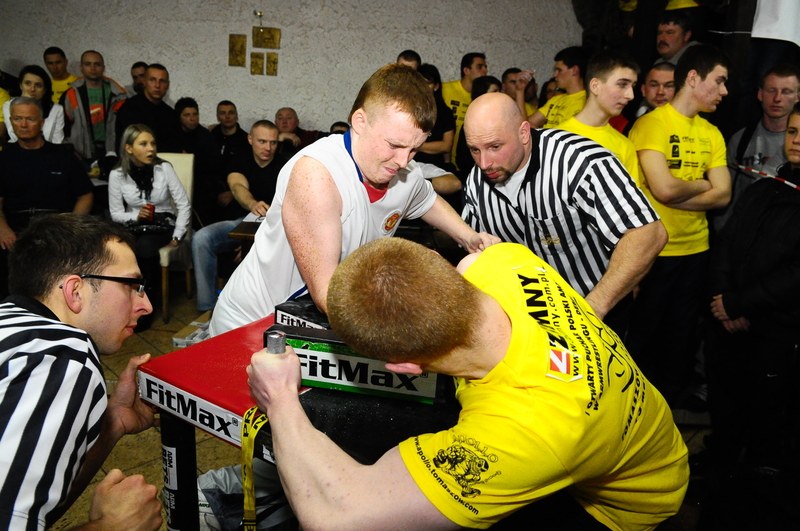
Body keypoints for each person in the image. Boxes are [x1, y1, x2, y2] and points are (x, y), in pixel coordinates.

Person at [246, 237, 689, 530]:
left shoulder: (530, 431)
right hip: (641, 432)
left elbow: (335, 517)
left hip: (628, 504)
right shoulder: (506, 260)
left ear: (405, 367)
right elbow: (475, 261)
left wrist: (280, 398)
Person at [208, 64, 498, 336]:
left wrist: (469, 237)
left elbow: (427, 200)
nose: (403, 160)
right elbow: (327, 295)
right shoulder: (316, 176)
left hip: (308, 323)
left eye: (414, 149)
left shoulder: (403, 171)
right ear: (360, 121)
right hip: (251, 323)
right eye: (394, 145)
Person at [0, 213, 161, 530]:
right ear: (75, 292)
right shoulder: (63, 355)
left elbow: (29, 503)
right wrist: (112, 527)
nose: (146, 306)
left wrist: (114, 420)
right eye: (131, 286)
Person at [462, 92, 665, 326]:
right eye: (474, 150)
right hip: (532, 320)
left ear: (524, 133)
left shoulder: (579, 161)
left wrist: (593, 308)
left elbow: (648, 233)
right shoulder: (476, 182)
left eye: (495, 147)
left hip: (598, 308)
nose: (484, 163)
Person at [701, 103, 800, 530]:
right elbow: (727, 241)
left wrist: (740, 304)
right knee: (727, 410)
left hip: (775, 331)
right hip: (729, 322)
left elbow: (795, 276)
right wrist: (723, 300)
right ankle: (720, 481)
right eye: (793, 131)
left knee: (768, 425)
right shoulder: (764, 187)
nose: (797, 140)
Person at [626, 44, 732, 405]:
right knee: (645, 335)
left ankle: (670, 408)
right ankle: (636, 407)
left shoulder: (712, 133)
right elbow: (664, 189)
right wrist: (702, 184)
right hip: (655, 251)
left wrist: (680, 191)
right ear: (693, 78)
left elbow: (724, 195)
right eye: (719, 81)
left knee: (682, 335)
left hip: (696, 250)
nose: (724, 91)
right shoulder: (652, 124)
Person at [0, 97, 94, 297]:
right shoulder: (3, 158)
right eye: (17, 119)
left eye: (30, 119)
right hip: (15, 228)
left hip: (56, 226)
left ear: (42, 122)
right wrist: (2, 228)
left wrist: (71, 227)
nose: (23, 125)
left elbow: (85, 195)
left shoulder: (63, 155)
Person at [192, 120, 287, 312]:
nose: (268, 148)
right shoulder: (239, 160)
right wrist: (252, 204)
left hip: (275, 228)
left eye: (273, 142)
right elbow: (237, 186)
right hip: (240, 222)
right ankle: (207, 308)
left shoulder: (286, 165)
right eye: (262, 141)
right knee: (201, 238)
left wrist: (251, 244)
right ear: (250, 139)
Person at [108, 124, 191, 314]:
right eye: (143, 144)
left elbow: (184, 204)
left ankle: (145, 307)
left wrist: (178, 235)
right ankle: (121, 304)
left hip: (162, 224)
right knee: (116, 247)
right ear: (129, 148)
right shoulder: (117, 174)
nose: (151, 149)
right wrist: (136, 215)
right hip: (134, 225)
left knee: (144, 246)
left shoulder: (163, 168)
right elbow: (115, 213)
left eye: (153, 143)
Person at [713, 63, 800, 231]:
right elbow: (725, 193)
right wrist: (724, 233)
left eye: (786, 91)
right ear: (760, 94)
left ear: (797, 97)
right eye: (771, 90)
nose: (777, 98)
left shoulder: (795, 146)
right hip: (739, 230)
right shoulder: (740, 139)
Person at [559, 50, 642, 186]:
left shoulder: (624, 146)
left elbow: (628, 198)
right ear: (595, 86)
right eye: (622, 85)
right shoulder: (557, 138)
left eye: (632, 86)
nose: (630, 95)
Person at [62, 50, 127, 168]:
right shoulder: (71, 94)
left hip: (111, 153)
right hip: (81, 155)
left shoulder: (118, 94)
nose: (93, 68)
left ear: (103, 68)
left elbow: (123, 125)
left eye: (97, 64)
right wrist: (70, 150)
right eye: (88, 64)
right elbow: (64, 127)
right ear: (81, 68)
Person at [175, 96, 224, 226]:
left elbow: (214, 166)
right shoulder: (172, 136)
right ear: (179, 117)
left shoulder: (205, 136)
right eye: (187, 115)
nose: (192, 118)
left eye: (195, 114)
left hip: (204, 190)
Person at [114, 64, 182, 153]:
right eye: (152, 80)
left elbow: (176, 147)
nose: (157, 85)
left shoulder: (171, 115)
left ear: (168, 85)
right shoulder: (129, 109)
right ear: (145, 82)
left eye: (162, 81)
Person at [441, 53, 488, 167]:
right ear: (466, 70)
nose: (485, 71)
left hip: (467, 158)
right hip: (443, 157)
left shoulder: (483, 97)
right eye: (479, 67)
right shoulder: (445, 89)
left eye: (485, 67)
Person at [2, 65, 65, 143]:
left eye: (38, 85)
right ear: (21, 85)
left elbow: (58, 141)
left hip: (49, 149)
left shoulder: (56, 109)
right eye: (28, 83)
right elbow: (15, 136)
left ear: (44, 90)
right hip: (17, 149)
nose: (32, 89)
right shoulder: (9, 105)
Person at [528, 46, 587, 129]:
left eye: (559, 70)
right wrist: (520, 91)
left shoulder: (587, 102)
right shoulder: (556, 99)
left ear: (574, 70)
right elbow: (528, 123)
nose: (555, 75)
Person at [415, 63, 456, 169]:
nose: (424, 87)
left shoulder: (445, 112)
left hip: (437, 167)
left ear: (436, 86)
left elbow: (446, 146)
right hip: (410, 166)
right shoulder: (408, 109)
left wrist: (416, 146)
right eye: (421, 83)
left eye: (428, 83)